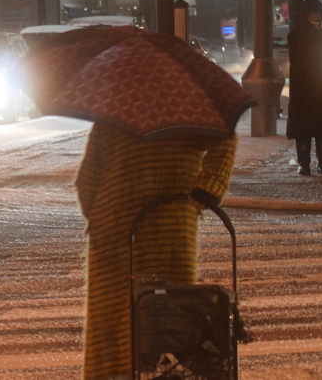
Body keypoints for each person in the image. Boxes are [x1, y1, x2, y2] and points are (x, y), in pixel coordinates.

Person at [75, 123, 238, 380]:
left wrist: (102, 210)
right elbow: (226, 137)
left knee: (112, 323)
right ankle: (167, 371)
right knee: (167, 317)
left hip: (114, 229)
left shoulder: (114, 107)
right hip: (170, 224)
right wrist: (207, 188)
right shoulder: (189, 105)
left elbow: (86, 181)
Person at [286, 0, 322, 176]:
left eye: (319, 13)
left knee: (321, 128)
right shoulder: (297, 34)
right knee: (303, 129)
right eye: (314, 12)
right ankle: (305, 164)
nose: (317, 16)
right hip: (303, 89)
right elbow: (300, 59)